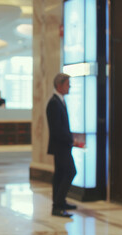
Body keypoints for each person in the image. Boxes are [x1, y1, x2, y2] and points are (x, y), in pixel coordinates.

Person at [46, 73, 77, 218]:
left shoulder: (59, 101)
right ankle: (57, 206)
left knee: (60, 174)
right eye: (67, 84)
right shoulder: (53, 103)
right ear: (59, 86)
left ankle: (59, 203)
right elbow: (57, 129)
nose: (69, 86)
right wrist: (71, 140)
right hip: (60, 146)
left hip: (63, 145)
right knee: (70, 172)